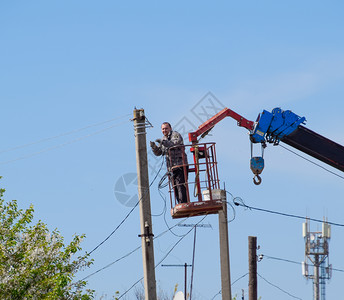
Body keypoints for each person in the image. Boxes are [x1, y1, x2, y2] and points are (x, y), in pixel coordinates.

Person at [150, 122, 188, 204]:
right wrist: (154, 147)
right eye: (163, 129)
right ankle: (180, 203)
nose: (164, 130)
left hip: (180, 164)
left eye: (166, 128)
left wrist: (163, 142)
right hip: (171, 167)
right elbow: (159, 152)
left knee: (180, 184)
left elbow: (174, 144)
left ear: (170, 128)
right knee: (174, 186)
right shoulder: (163, 139)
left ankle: (184, 203)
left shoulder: (175, 135)